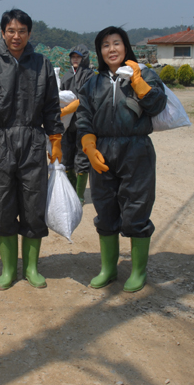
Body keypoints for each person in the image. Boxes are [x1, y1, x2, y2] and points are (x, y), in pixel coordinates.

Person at [0, 9, 64, 291]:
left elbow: (51, 105)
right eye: (11, 30)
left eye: (22, 31)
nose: (16, 36)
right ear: (2, 32)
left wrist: (55, 138)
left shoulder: (42, 65)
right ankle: (9, 269)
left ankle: (32, 267)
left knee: (34, 206)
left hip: (34, 140)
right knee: (2, 205)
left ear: (29, 34)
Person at [75, 26, 167, 293]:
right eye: (105, 45)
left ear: (126, 47)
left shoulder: (145, 74)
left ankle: (138, 271)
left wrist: (139, 84)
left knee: (136, 208)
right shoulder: (92, 83)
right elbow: (83, 119)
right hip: (102, 150)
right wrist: (89, 145)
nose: (111, 49)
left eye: (116, 43)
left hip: (136, 150)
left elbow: (157, 105)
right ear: (99, 52)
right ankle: (108, 268)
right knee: (105, 211)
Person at [59, 45, 95, 204]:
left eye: (78, 57)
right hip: (67, 123)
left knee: (82, 158)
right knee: (66, 158)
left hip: (83, 122)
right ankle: (71, 192)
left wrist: (78, 104)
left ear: (84, 58)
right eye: (73, 56)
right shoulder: (66, 76)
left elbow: (91, 97)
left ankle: (79, 196)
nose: (75, 59)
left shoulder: (89, 76)